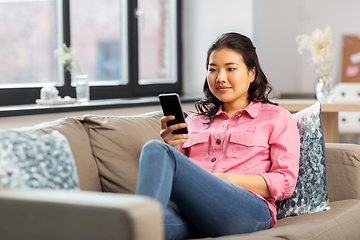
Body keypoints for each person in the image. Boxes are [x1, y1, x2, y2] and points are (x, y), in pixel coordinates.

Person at [135, 32, 300, 240]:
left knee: (154, 149)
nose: (220, 78)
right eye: (212, 70)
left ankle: (139, 217)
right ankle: (137, 221)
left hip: (248, 209)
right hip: (194, 212)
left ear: (252, 73)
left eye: (230, 69)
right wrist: (172, 145)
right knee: (129, 227)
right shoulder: (194, 122)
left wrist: (226, 180)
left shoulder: (277, 118)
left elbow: (285, 182)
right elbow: (180, 180)